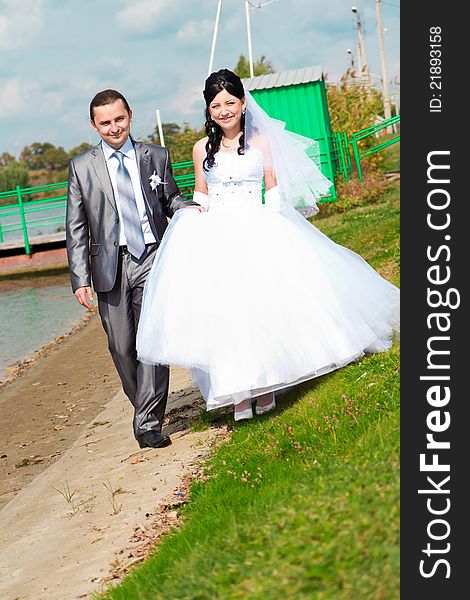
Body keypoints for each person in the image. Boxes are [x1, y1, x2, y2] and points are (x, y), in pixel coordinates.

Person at [136, 69, 400, 421]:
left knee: (266, 304)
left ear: (243, 103)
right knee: (230, 312)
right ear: (208, 110)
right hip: (219, 234)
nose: (224, 110)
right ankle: (241, 391)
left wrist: (280, 221)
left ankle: (269, 385)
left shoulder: (260, 140)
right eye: (216, 105)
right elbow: (202, 192)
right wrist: (192, 215)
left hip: (256, 225)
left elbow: (271, 185)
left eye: (230, 102)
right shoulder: (202, 149)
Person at [66, 89, 201, 448]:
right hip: (108, 267)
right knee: (122, 346)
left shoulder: (155, 156)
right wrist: (80, 278)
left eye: (119, 119)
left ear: (130, 115)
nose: (114, 128)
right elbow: (76, 227)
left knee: (152, 341)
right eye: (105, 122)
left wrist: (189, 208)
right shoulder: (82, 167)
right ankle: (144, 405)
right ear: (94, 125)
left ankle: (148, 423)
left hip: (152, 257)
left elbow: (170, 196)